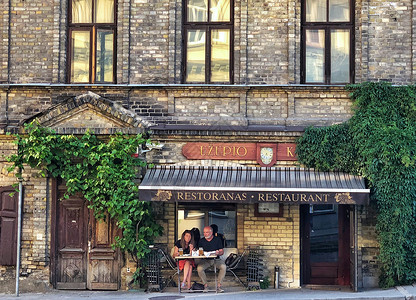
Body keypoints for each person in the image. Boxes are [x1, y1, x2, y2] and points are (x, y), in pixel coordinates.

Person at [197, 226, 227, 293]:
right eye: (204, 232)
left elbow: (222, 252)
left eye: (207, 232)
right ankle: (206, 285)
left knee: (223, 267)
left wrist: (218, 253)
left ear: (211, 232)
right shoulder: (201, 241)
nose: (205, 234)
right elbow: (199, 252)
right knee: (199, 268)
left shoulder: (217, 239)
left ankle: (219, 286)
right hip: (205, 260)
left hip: (216, 260)